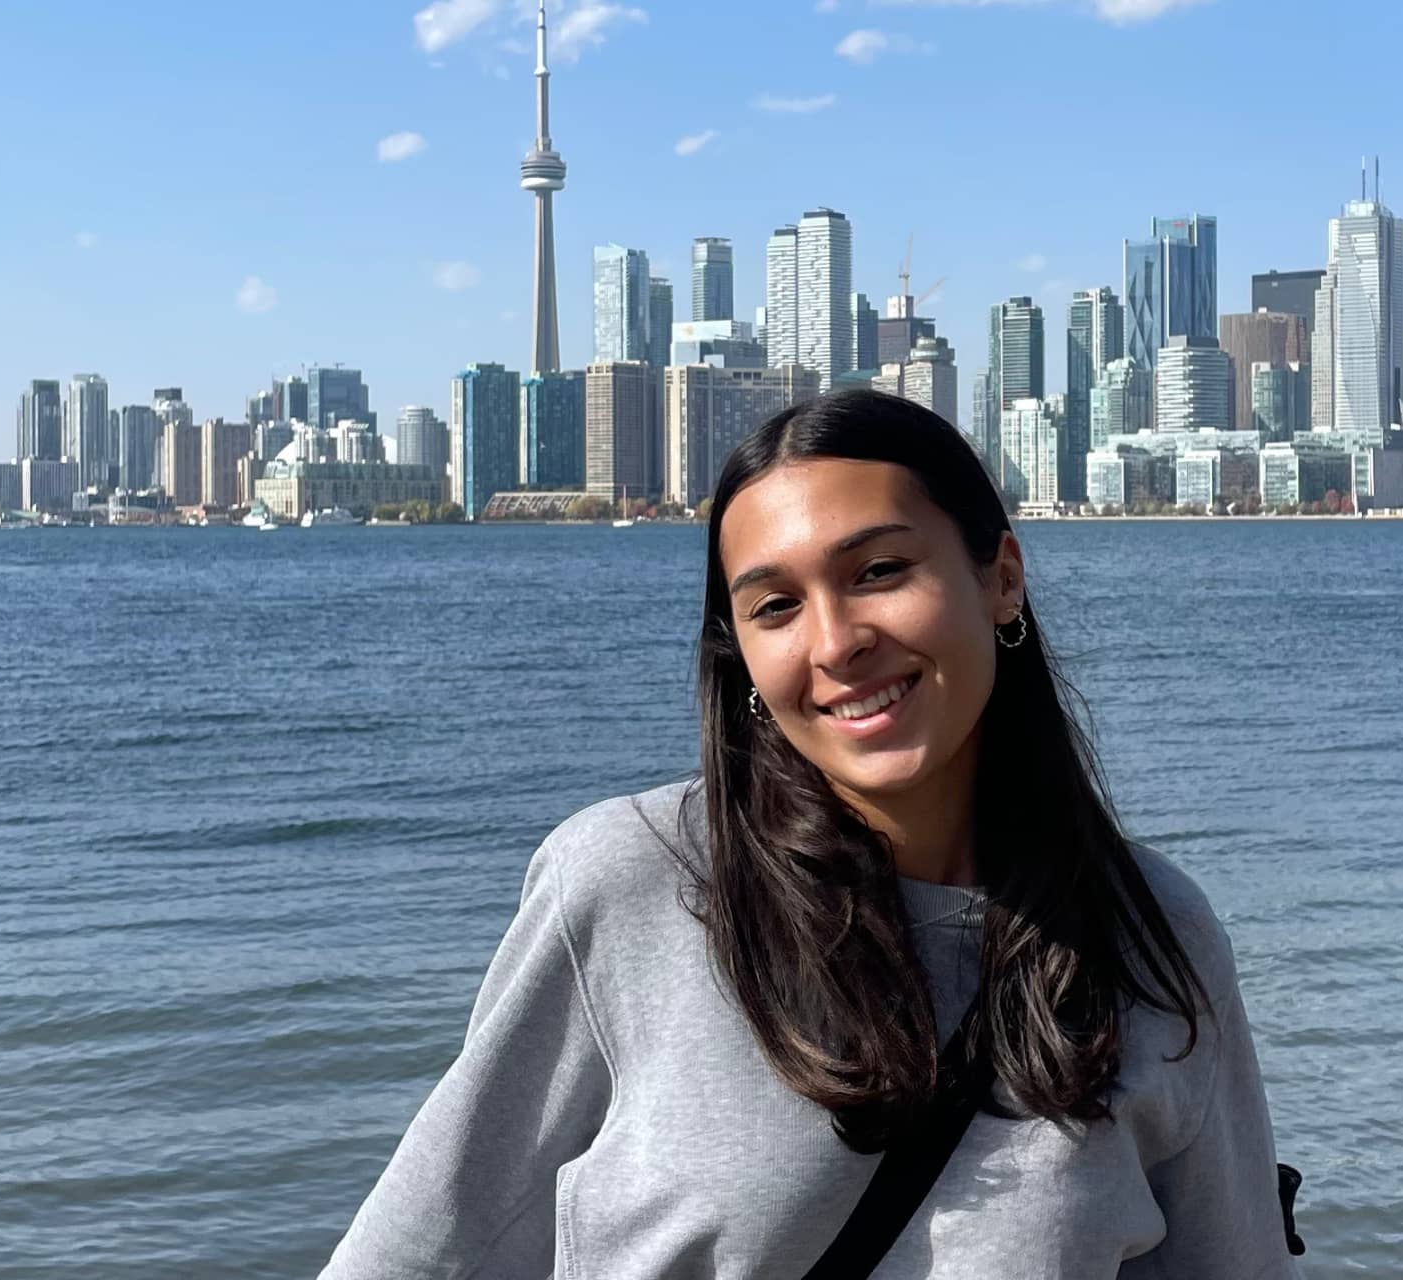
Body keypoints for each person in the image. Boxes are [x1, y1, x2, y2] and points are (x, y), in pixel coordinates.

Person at [320, 389, 1302, 1279]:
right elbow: (418, 1250)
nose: (834, 642)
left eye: (879, 569)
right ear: (742, 650)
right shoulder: (625, 886)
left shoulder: (1150, 932)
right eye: (776, 605)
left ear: (1002, 576)